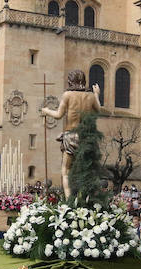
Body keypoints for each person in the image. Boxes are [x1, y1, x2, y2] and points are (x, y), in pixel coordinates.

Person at [39, 69, 102, 199]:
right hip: (86, 137)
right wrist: (96, 94)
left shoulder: (67, 94)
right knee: (85, 170)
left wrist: (46, 111)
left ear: (70, 81)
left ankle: (69, 201)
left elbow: (58, 115)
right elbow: (98, 110)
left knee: (66, 171)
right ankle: (84, 198)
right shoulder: (90, 95)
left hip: (71, 135)